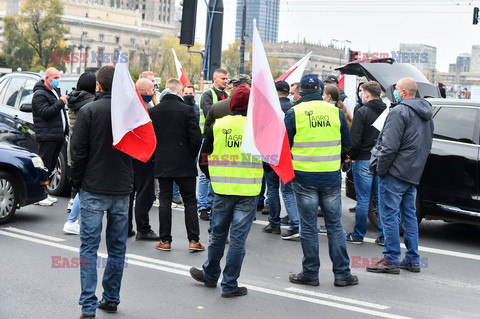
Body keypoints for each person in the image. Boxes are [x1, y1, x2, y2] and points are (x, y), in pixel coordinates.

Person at [71, 66, 133, 318]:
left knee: (89, 247)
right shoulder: (130, 113)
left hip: (93, 187)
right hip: (121, 188)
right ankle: (111, 299)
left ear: (98, 86)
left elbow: (78, 152)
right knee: (117, 248)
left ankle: (88, 306)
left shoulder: (88, 111)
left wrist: (77, 184)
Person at [190, 85, 263, 298]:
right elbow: (269, 163)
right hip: (248, 190)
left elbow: (204, 159)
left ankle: (211, 276)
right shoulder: (258, 128)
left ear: (231, 104)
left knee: (218, 235)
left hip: (222, 189)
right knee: (238, 240)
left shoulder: (218, 126)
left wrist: (213, 177)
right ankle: (230, 285)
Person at [285, 74, 358, 287]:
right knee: (334, 225)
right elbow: (347, 143)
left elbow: (285, 145)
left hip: (304, 176)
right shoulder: (335, 112)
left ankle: (310, 273)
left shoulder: (294, 113)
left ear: (301, 92)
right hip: (331, 176)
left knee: (308, 227)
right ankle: (343, 274)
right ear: (320, 90)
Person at [367, 77, 434, 274]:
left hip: (394, 173)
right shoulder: (427, 115)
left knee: (388, 217)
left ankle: (391, 259)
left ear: (403, 93)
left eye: (396, 89)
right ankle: (413, 259)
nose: (394, 92)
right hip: (412, 173)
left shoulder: (399, 111)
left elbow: (389, 147)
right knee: (409, 217)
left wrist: (380, 170)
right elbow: (425, 146)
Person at [149, 78, 204, 252]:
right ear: (179, 92)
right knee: (190, 201)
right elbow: (196, 138)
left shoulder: (154, 112)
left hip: (163, 161)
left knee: (164, 200)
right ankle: (194, 240)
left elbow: (150, 139)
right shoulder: (187, 110)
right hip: (184, 162)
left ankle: (165, 240)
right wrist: (190, 155)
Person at [345, 81, 386, 245]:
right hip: (381, 159)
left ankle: (358, 235)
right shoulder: (388, 111)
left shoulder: (362, 112)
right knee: (380, 199)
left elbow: (355, 139)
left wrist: (351, 155)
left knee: (363, 199)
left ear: (367, 94)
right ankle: (383, 236)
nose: (361, 95)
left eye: (362, 92)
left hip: (363, 159)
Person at [262, 80, 300, 240]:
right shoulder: (294, 109)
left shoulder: (269, 108)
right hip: (288, 155)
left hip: (271, 153)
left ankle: (274, 223)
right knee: (288, 190)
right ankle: (295, 223)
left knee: (272, 190)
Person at [63, 72, 96, 235]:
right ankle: (72, 220)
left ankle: (72, 209)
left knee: (81, 183)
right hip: (84, 146)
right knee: (84, 186)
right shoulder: (89, 103)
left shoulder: (72, 98)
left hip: (73, 145)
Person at [127, 78, 160, 241]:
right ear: (147, 91)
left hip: (129, 155)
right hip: (144, 156)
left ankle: (126, 227)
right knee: (144, 193)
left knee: (129, 193)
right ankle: (143, 228)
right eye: (153, 88)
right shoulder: (146, 108)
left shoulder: (129, 106)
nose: (154, 91)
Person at [32, 67, 68, 205]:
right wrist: (61, 102)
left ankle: (44, 193)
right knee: (44, 166)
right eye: (56, 78)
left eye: (59, 77)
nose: (58, 80)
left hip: (57, 135)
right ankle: (38, 195)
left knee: (51, 167)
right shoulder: (40, 94)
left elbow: (60, 113)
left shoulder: (54, 91)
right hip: (47, 136)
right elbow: (45, 113)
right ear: (48, 78)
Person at [197, 69, 229, 221]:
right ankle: (202, 206)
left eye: (227, 78)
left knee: (216, 172)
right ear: (215, 79)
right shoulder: (208, 94)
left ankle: (210, 204)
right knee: (205, 175)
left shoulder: (227, 95)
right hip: (208, 137)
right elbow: (210, 112)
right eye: (223, 78)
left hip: (221, 137)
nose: (226, 81)